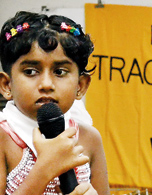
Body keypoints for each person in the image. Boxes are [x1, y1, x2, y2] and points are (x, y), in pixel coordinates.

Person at [0, 11, 110, 194]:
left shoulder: (89, 139)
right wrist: (44, 169)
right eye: (30, 72)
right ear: (6, 85)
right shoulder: (3, 138)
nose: (46, 84)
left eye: (59, 72)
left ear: (81, 86)